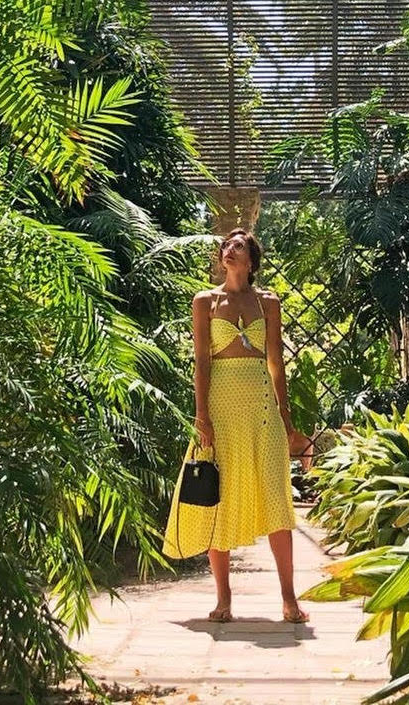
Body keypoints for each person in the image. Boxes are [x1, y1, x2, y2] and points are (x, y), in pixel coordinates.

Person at [161, 227, 311, 624]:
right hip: (220, 407)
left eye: (238, 246)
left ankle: (289, 599)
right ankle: (223, 599)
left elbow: (275, 361)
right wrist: (201, 416)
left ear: (251, 260)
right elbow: (201, 361)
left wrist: (286, 418)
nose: (229, 250)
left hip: (261, 408)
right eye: (226, 245)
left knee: (277, 498)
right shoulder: (205, 301)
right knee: (219, 495)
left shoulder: (268, 302)